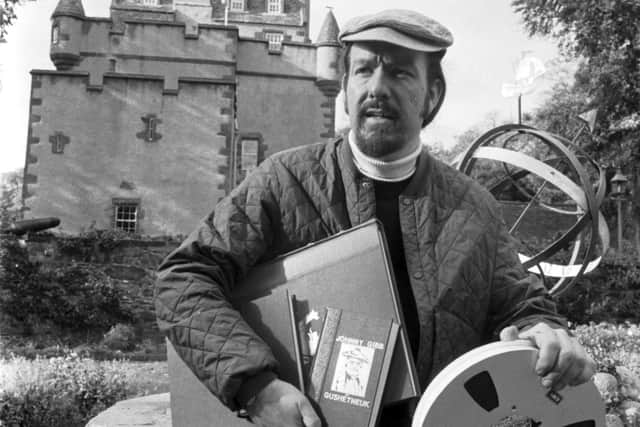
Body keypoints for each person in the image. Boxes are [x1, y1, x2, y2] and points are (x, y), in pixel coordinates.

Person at [155, 9, 595, 427]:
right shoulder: (283, 180)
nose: (377, 87)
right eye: (364, 70)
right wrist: (257, 387)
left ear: (432, 94)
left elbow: (521, 307)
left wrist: (546, 331)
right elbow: (183, 279)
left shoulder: (474, 206)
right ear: (344, 89)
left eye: (400, 72)